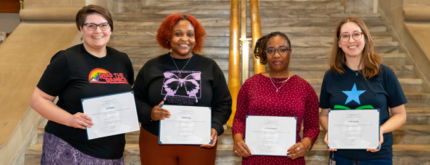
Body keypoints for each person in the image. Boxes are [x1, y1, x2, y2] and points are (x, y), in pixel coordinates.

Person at [30, 5, 134, 165]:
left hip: (113, 149)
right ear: (81, 28)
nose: (98, 31)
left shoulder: (122, 60)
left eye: (103, 25)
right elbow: (38, 99)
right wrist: (69, 119)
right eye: (91, 26)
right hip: (70, 147)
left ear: (110, 28)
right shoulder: (66, 59)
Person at [133, 14, 232, 165]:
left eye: (190, 34)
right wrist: (150, 113)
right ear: (168, 37)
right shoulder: (151, 67)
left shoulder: (210, 67)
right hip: (155, 140)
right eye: (178, 34)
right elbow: (135, 99)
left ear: (196, 38)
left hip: (200, 142)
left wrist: (215, 126)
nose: (184, 38)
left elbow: (223, 103)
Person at [319, 16, 407, 164]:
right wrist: (332, 130)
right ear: (339, 43)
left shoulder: (385, 74)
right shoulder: (330, 76)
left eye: (356, 34)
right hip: (341, 156)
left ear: (365, 38)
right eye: (345, 36)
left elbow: (401, 115)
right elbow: (323, 116)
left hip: (377, 156)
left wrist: (380, 130)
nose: (351, 40)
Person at [232, 31, 320, 164]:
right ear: (265, 54)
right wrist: (238, 140)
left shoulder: (305, 88)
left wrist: (306, 144)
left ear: (290, 52)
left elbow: (313, 126)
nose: (276, 55)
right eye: (271, 50)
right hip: (254, 159)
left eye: (282, 50)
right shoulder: (250, 84)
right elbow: (239, 119)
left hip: (291, 159)